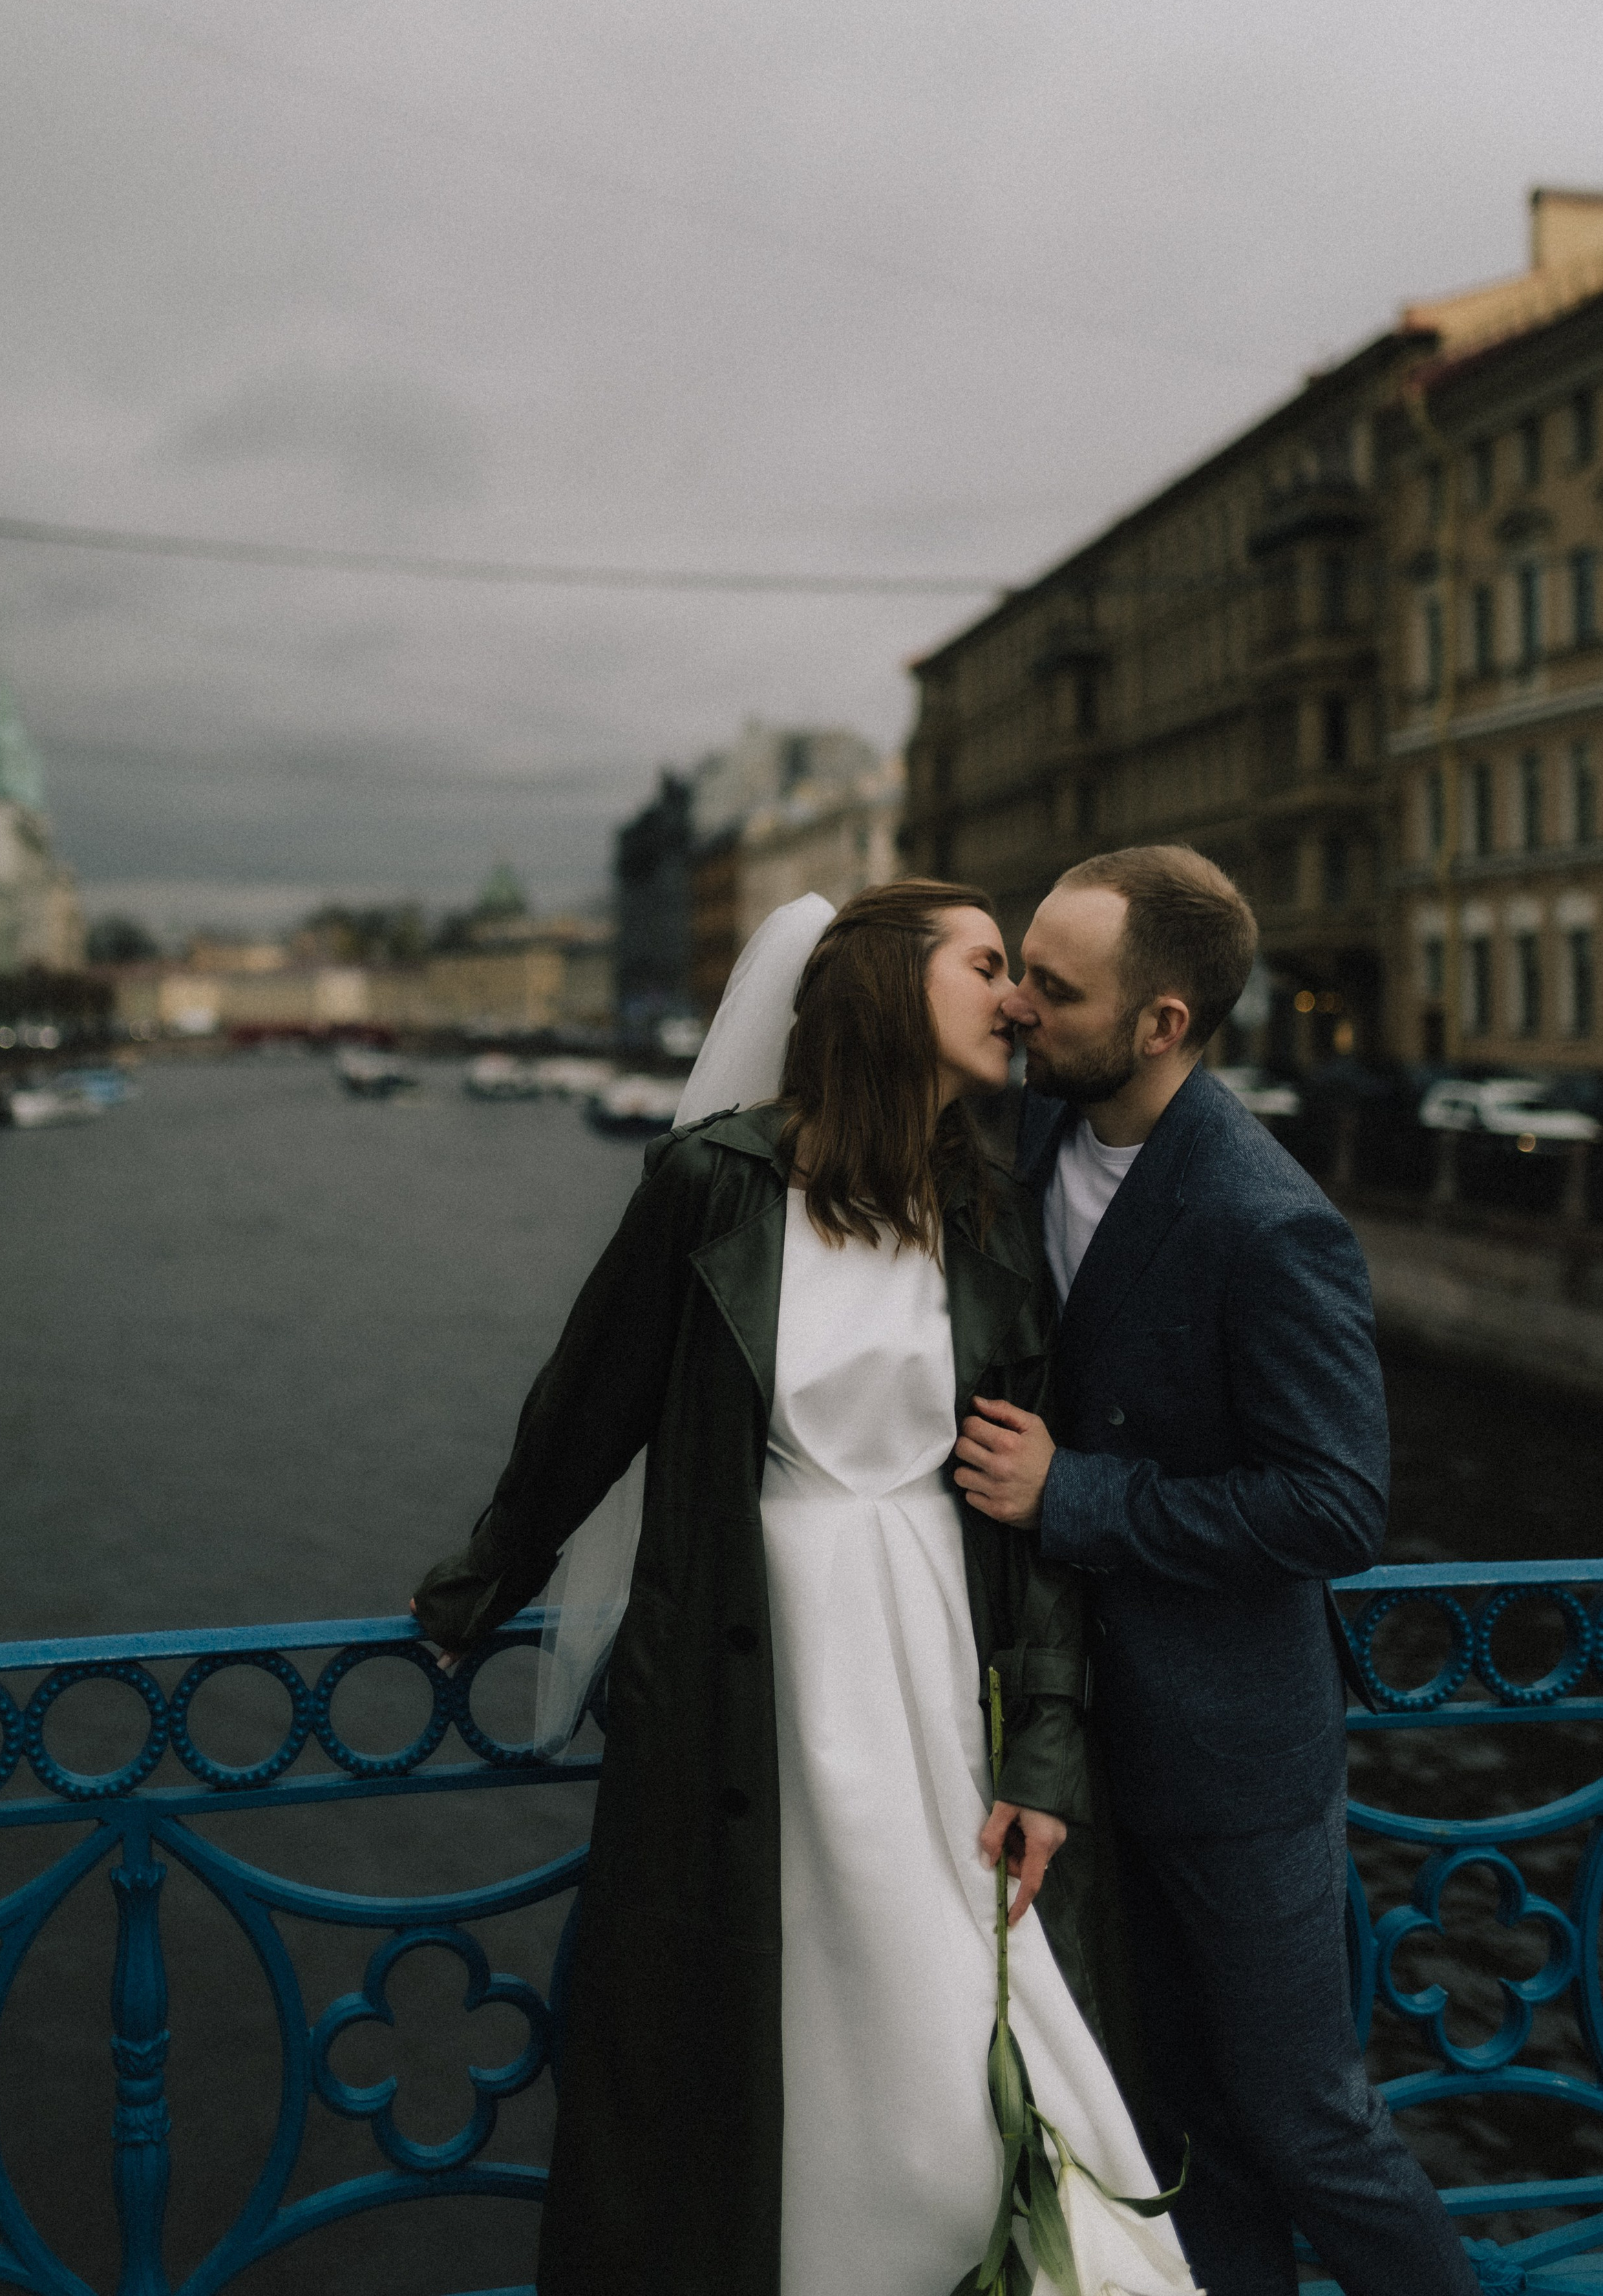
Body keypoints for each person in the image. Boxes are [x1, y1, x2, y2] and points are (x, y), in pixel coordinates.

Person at [410, 880, 1196, 2296]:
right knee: (780, 2046)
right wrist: (479, 1585)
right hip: (753, 1684)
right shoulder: (712, 1184)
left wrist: (1047, 1747)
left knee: (960, 2052)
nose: (1014, 999)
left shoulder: (989, 1211)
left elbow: (1032, 1534)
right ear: (891, 990)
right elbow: (585, 1409)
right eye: (983, 966)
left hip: (942, 1687)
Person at [975, 842, 1483, 2296]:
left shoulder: (1267, 1217)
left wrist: (1072, 1492)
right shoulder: (1028, 1137)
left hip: (1229, 1756)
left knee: (1304, 2123)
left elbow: (1333, 1506)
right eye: (1014, 965)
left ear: (1162, 1025)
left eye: (1052, 988)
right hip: (1083, 1755)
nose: (1017, 1003)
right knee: (1173, 2128)